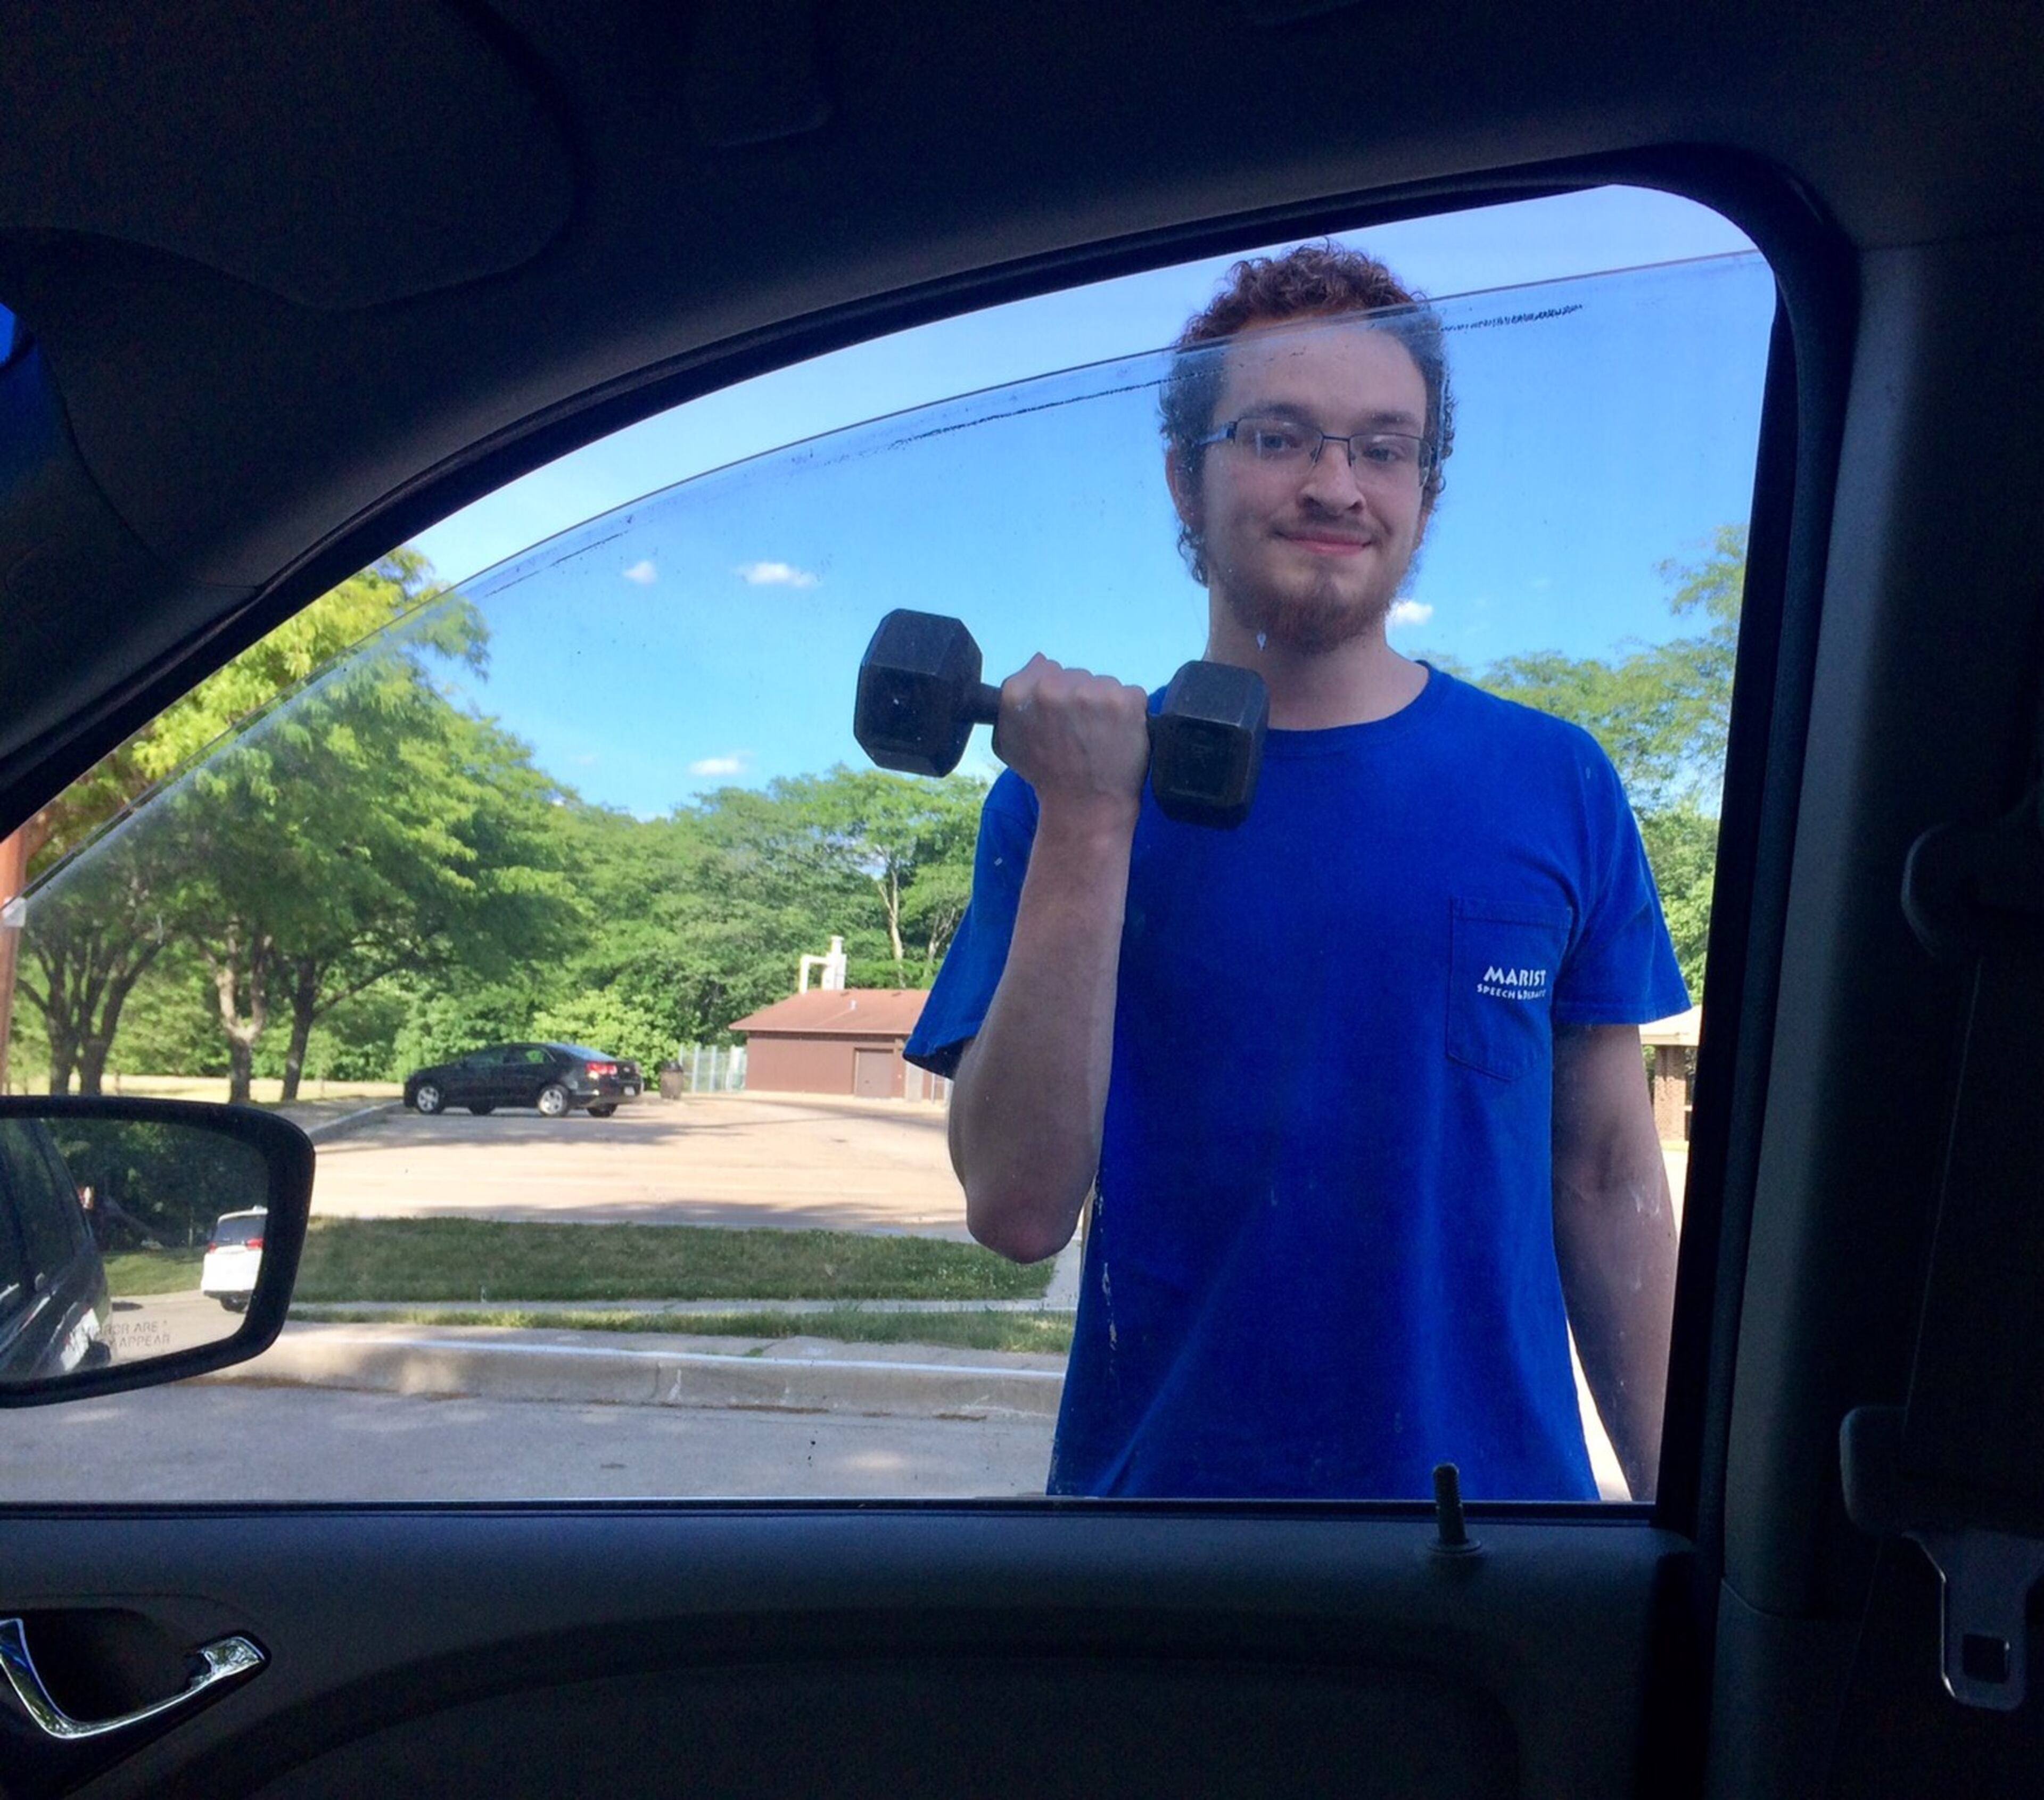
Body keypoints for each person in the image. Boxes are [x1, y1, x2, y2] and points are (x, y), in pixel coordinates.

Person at [905, 244, 1687, 1502]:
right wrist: (1096, 818)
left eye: (1384, 447)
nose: (1338, 484)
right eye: (1280, 437)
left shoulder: (1556, 780)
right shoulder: (1063, 789)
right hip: (1164, 1552)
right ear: (1183, 477)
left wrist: (1684, 1514)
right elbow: (1016, 1203)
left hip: (1499, 1552)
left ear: (1424, 491)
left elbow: (1603, 1171)